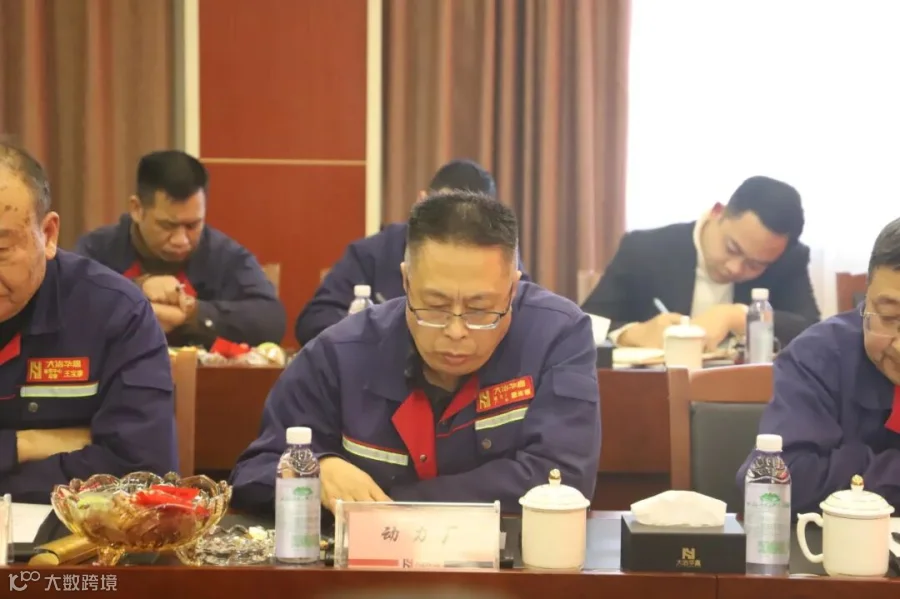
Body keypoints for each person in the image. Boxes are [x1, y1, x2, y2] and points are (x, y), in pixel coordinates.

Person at [231, 191, 600, 514]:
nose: (456, 331)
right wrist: (316, 469)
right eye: (435, 306)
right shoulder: (340, 353)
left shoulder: (557, 335)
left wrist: (398, 505)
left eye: (480, 309)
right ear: (406, 281)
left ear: (513, 289)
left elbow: (563, 477)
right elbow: (252, 472)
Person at [0, 143, 177, 503]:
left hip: (71, 533)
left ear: (48, 235)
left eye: (1, 251)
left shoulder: (115, 313)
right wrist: (25, 443)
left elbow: (143, 471)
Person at [737, 217, 900, 514]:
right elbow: (775, 480)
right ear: (867, 300)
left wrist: (850, 468)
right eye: (889, 317)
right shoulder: (818, 356)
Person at [294, 159, 529, 346]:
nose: (454, 228)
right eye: (442, 215)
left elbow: (527, 324)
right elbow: (314, 321)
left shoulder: (499, 258)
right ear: (421, 201)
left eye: (471, 221)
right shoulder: (372, 253)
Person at [74, 150, 285, 349]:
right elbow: (68, 306)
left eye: (192, 225)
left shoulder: (224, 255)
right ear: (137, 209)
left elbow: (271, 321)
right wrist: (136, 293)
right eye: (167, 225)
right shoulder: (97, 249)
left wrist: (192, 313)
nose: (181, 240)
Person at [582, 176, 820, 350]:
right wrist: (632, 334)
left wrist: (738, 316)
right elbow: (585, 324)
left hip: (746, 397)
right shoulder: (645, 249)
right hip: (656, 394)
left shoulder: (786, 260)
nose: (735, 268)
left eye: (755, 265)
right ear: (718, 212)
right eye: (732, 248)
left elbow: (812, 331)